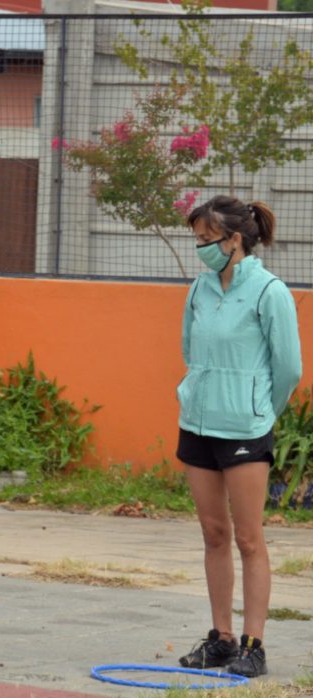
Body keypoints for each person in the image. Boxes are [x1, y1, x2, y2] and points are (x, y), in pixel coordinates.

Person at [176, 195, 301, 678]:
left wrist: (260, 412)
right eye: (197, 240)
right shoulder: (200, 288)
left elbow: (288, 368)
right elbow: (190, 347)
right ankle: (222, 638)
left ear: (233, 240)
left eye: (206, 240)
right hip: (197, 425)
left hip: (245, 429)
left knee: (249, 539)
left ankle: (254, 645)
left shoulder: (270, 292)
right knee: (214, 533)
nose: (200, 249)